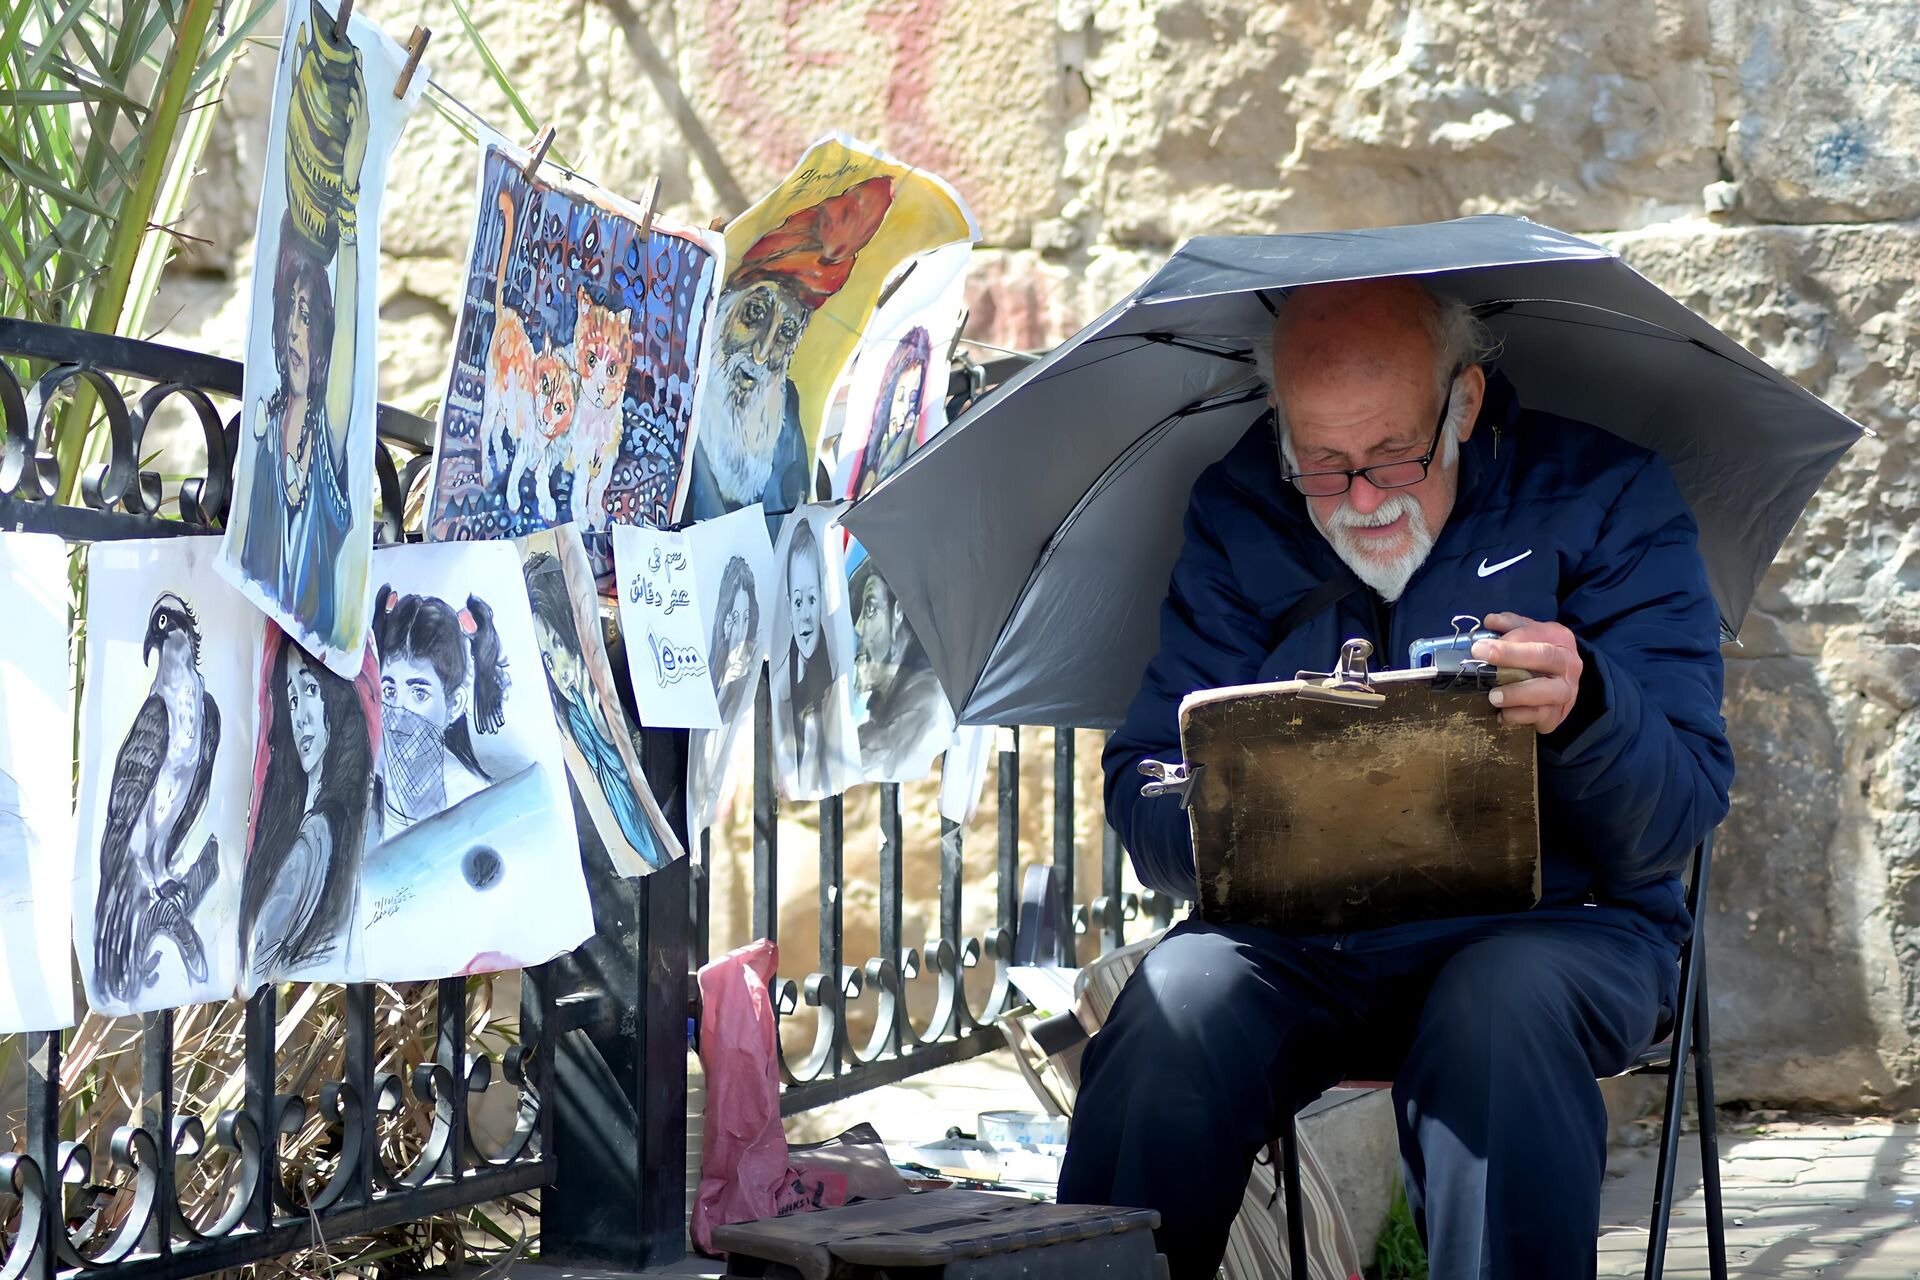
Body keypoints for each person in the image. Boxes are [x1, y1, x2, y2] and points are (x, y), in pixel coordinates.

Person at [1058, 278, 1734, 1280]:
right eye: (1322, 463)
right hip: (1305, 940)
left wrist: (1587, 708)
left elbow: (1676, 810)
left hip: (1560, 928)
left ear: (1461, 403)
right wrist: (1233, 792)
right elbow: (1145, 776)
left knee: (1498, 1010)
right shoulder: (1243, 505)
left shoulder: (1606, 494)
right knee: (1175, 1007)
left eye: (1391, 455)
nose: (1363, 498)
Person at [685, 177, 895, 522]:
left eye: (784, 333)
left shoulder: (785, 412)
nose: (761, 355)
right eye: (753, 315)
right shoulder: (673, 389)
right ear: (723, 309)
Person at [240, 636, 372, 982]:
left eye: (310, 688)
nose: (300, 717)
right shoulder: (339, 821)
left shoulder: (313, 838)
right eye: (292, 698)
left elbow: (255, 963)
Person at [523, 550, 666, 869]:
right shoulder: (570, 716)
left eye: (557, 645)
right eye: (547, 657)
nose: (557, 668)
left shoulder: (610, 691)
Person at [370, 586, 508, 835]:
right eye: (389, 691)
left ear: (454, 705)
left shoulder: (471, 800)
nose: (398, 711)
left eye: (419, 693)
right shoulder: (370, 767)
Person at [771, 517, 853, 797]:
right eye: (797, 602)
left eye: (811, 600)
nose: (805, 613)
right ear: (789, 609)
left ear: (822, 600)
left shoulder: (835, 665)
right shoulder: (784, 676)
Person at [848, 556, 950, 779]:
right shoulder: (897, 690)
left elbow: (877, 754)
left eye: (871, 609)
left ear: (898, 612)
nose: (858, 626)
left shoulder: (924, 695)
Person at [846, 326, 931, 500]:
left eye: (912, 397)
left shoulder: (916, 447)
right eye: (900, 396)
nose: (905, 406)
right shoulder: (872, 452)